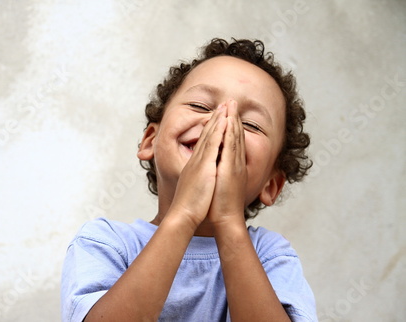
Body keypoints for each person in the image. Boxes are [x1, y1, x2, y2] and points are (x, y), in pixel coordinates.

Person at [61, 38, 317, 321]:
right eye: (199, 105)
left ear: (272, 185)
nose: (221, 123)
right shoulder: (106, 243)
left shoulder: (271, 257)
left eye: (250, 124)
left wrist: (229, 222)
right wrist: (184, 215)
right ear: (150, 140)